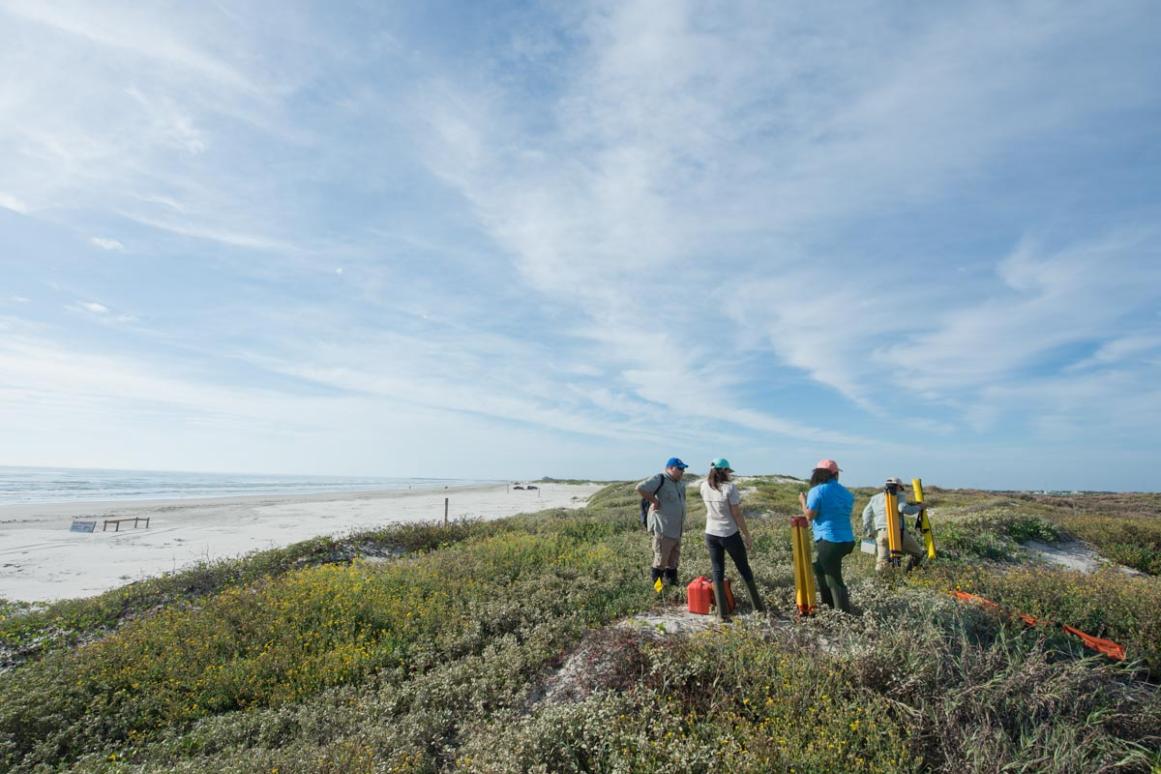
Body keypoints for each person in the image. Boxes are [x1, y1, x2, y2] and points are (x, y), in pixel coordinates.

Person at [699, 458, 765, 620]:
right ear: (723, 471)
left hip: (711, 532)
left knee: (717, 570)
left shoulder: (703, 486)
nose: (730, 473)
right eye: (728, 471)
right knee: (744, 568)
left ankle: (722, 613)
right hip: (728, 533)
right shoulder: (730, 488)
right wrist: (747, 535)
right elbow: (736, 514)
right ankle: (758, 608)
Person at [797, 458, 856, 613]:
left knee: (833, 577)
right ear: (835, 474)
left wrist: (803, 501)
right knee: (820, 568)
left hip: (829, 541)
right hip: (847, 540)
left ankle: (843, 613)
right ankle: (828, 605)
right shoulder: (845, 492)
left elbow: (809, 516)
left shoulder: (817, 491)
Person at [636, 457, 688, 588]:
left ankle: (673, 587)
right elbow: (640, 488)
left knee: (673, 562)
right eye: (680, 468)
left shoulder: (680, 484)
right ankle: (658, 590)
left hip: (676, 531)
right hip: (663, 530)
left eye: (683, 469)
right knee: (660, 563)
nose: (682, 471)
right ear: (670, 468)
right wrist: (655, 501)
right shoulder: (661, 479)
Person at [862, 477, 927, 571]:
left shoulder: (874, 498)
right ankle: (908, 575)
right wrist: (919, 507)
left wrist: (869, 531)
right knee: (918, 553)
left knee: (882, 562)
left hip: (881, 533)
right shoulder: (899, 495)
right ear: (898, 487)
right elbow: (903, 509)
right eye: (901, 488)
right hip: (897, 532)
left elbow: (866, 514)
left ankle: (881, 581)